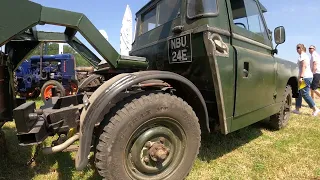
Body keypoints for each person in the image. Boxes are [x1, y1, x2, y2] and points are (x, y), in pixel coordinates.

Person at [293, 44, 320, 116]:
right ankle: (297, 109)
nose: (297, 49)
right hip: (304, 76)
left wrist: (301, 77)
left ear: (302, 49)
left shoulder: (303, 56)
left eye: (298, 48)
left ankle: (315, 109)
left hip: (305, 77)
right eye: (297, 48)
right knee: (298, 92)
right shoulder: (302, 56)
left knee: (305, 93)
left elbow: (304, 66)